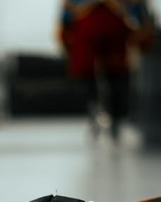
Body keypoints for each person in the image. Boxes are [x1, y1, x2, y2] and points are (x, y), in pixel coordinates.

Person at [59, 0, 155, 143]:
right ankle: (114, 116)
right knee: (116, 72)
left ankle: (95, 107)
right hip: (114, 26)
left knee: (88, 73)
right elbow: (139, 13)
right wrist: (144, 31)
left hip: (89, 27)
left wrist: (67, 42)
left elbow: (66, 19)